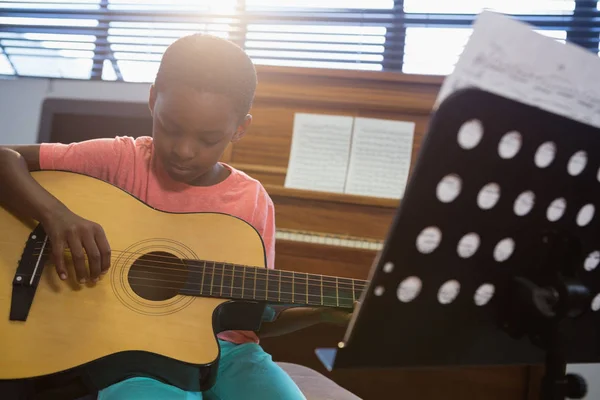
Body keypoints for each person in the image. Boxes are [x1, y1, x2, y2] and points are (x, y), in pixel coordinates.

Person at [0, 34, 351, 400]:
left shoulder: (252, 201)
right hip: (132, 354)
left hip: (233, 354)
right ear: (153, 100)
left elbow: (253, 314)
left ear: (240, 128)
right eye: (170, 127)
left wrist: (319, 314)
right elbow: (5, 157)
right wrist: (58, 217)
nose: (184, 150)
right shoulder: (120, 160)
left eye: (208, 138)